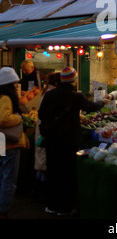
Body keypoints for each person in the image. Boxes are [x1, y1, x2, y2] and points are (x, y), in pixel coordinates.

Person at [38, 67, 106, 216]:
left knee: (54, 172)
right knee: (67, 174)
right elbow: (91, 107)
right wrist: (103, 102)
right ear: (73, 80)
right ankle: (65, 207)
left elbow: (41, 114)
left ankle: (52, 205)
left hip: (51, 140)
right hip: (68, 141)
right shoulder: (76, 96)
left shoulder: (50, 95)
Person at [0, 67, 30, 219]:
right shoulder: (5, 98)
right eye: (15, 84)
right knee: (9, 177)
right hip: (9, 141)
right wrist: (18, 118)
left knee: (2, 175)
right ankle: (3, 209)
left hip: (1, 140)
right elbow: (3, 119)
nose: (17, 86)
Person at [33, 72, 61, 202]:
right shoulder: (52, 94)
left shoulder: (46, 92)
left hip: (41, 130)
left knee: (41, 162)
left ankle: (38, 192)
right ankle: (42, 194)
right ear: (57, 83)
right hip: (46, 132)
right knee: (44, 164)